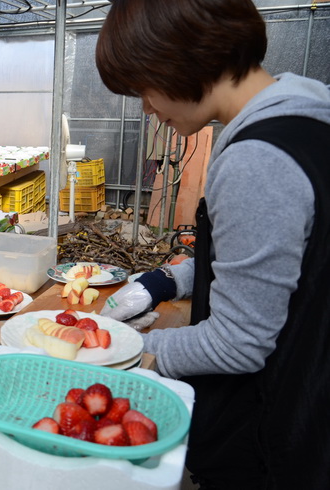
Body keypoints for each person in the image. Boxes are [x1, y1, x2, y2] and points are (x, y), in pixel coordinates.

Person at [94, 0, 330, 488]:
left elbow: (237, 344)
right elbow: (275, 260)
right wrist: (165, 280)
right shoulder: (307, 121)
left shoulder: (257, 160)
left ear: (179, 60)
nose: (147, 108)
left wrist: (127, 350)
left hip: (275, 439)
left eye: (143, 87)